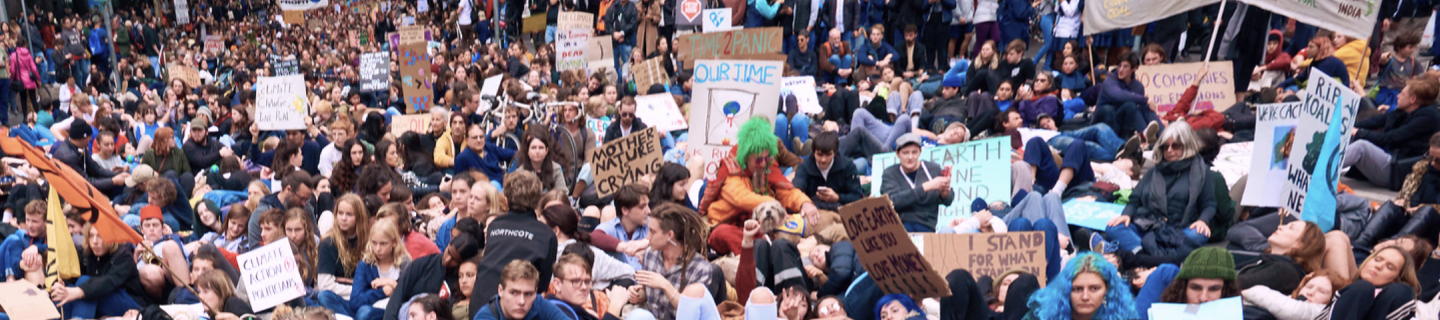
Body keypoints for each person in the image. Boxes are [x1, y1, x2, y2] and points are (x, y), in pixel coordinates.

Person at [702, 118, 820, 255]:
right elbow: (742, 198)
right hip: (730, 224)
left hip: (762, 224)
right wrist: (773, 204)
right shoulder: (731, 169)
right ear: (746, 157)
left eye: (767, 158)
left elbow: (785, 191)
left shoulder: (768, 167)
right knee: (722, 234)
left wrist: (804, 203)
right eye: (759, 159)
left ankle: (766, 248)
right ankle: (761, 252)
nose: (764, 164)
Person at [1105, 123, 1216, 253]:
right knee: (1113, 228)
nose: (1169, 150)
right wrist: (1126, 215)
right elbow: (1134, 199)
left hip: (1181, 230)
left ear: (1186, 146)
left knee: (1199, 234)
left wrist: (1203, 221)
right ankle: (1160, 256)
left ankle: (1143, 255)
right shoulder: (1154, 172)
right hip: (1150, 227)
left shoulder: (1201, 172)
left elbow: (1209, 204)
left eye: (1175, 146)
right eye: (1165, 146)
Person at [470, 171, 559, 317]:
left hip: (480, 301)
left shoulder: (495, 225)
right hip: (508, 308)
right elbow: (540, 285)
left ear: (505, 198)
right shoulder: (547, 235)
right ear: (538, 200)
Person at [1345, 77, 1440, 188]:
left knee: (1361, 146)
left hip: (1398, 171)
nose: (1398, 96)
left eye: (1402, 94)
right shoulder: (1407, 111)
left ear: (1412, 99)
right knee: (1353, 134)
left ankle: (1323, 166)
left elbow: (1392, 137)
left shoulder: (1427, 117)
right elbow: (1379, 120)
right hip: (1392, 162)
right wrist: (1349, 126)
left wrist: (1358, 132)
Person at [318, 220, 411, 320]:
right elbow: (355, 301)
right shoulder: (366, 264)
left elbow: (410, 297)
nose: (378, 248)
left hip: (390, 312)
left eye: (383, 244)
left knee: (364, 313)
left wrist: (392, 283)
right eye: (374, 243)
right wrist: (382, 292)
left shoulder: (405, 264)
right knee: (324, 296)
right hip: (364, 308)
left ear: (394, 243)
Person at [637, 202, 714, 320]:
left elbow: (691, 314)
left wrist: (665, 285)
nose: (648, 236)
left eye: (652, 232)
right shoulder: (650, 254)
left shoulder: (700, 268)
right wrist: (639, 295)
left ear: (669, 235)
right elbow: (646, 294)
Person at [1021, 252, 1137, 320]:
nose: (1085, 297)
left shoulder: (1121, 316)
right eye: (1077, 289)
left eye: (1094, 289)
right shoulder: (1041, 314)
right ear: (1065, 289)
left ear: (1106, 289)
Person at [1325, 245, 1421, 319]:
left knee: (1401, 291)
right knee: (1362, 288)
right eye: (1377, 260)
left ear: (1396, 279)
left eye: (1389, 267)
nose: (1378, 266)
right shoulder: (1338, 282)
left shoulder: (1398, 294)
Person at [881, 133, 953, 232]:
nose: (910, 157)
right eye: (905, 153)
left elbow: (948, 200)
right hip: (899, 227)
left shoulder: (933, 169)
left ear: (920, 152)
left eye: (914, 152)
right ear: (897, 154)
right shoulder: (890, 173)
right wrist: (925, 187)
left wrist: (945, 194)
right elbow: (891, 202)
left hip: (926, 226)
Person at [472, 260, 570, 320]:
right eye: (514, 293)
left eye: (528, 294)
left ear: (535, 292)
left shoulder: (538, 302)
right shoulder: (485, 317)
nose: (521, 301)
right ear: (501, 291)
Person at [792, 132, 864, 211]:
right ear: (813, 152)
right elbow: (796, 191)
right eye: (819, 155)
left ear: (835, 153)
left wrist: (837, 197)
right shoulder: (804, 167)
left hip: (840, 211)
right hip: (813, 210)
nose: (823, 159)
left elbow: (857, 197)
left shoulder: (847, 166)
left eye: (828, 155)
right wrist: (805, 203)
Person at [317, 194, 372, 296]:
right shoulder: (328, 243)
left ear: (359, 217)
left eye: (349, 214)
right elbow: (324, 285)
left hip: (364, 297)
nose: (343, 218)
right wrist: (356, 289)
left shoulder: (368, 240)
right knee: (324, 296)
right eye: (340, 213)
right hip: (341, 297)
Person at [1093, 52, 1156, 140]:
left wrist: (1148, 105)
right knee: (1108, 109)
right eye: (1119, 66)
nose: (1121, 69)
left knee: (1135, 106)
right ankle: (1143, 134)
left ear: (1134, 68)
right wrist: (1146, 100)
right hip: (1103, 120)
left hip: (1121, 122)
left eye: (1125, 66)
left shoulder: (1138, 86)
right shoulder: (1110, 80)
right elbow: (1118, 95)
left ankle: (1160, 135)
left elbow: (1141, 109)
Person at [1242, 270, 1348, 320]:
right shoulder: (1285, 299)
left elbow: (1291, 310)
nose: (1310, 292)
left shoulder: (1322, 312)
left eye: (1322, 291)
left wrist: (1246, 292)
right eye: (1309, 286)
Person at [248, 171, 316, 249]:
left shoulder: (306, 208)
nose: (304, 203)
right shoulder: (261, 213)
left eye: (307, 199)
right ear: (288, 189)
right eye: (301, 198)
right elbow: (255, 250)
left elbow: (315, 236)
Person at [512, 129, 568, 193]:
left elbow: (563, 194)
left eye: (541, 148)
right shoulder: (520, 172)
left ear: (546, 150)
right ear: (527, 151)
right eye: (533, 148)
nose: (537, 151)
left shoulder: (556, 169)